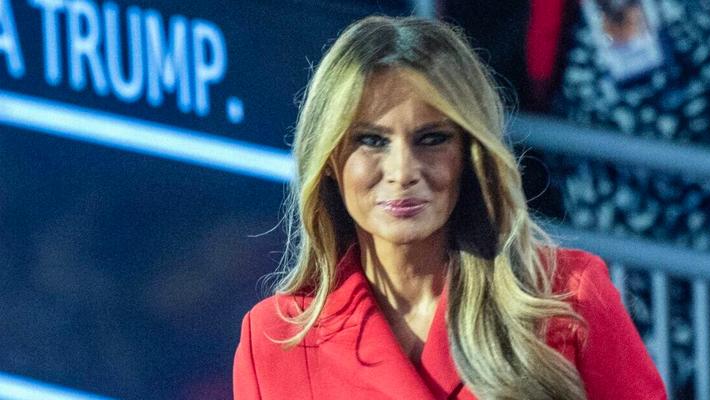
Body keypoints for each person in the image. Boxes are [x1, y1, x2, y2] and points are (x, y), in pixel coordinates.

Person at [233, 15, 666, 400]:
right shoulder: (274, 338)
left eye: (432, 138)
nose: (403, 171)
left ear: (470, 154)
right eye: (371, 140)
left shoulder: (569, 296)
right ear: (329, 160)